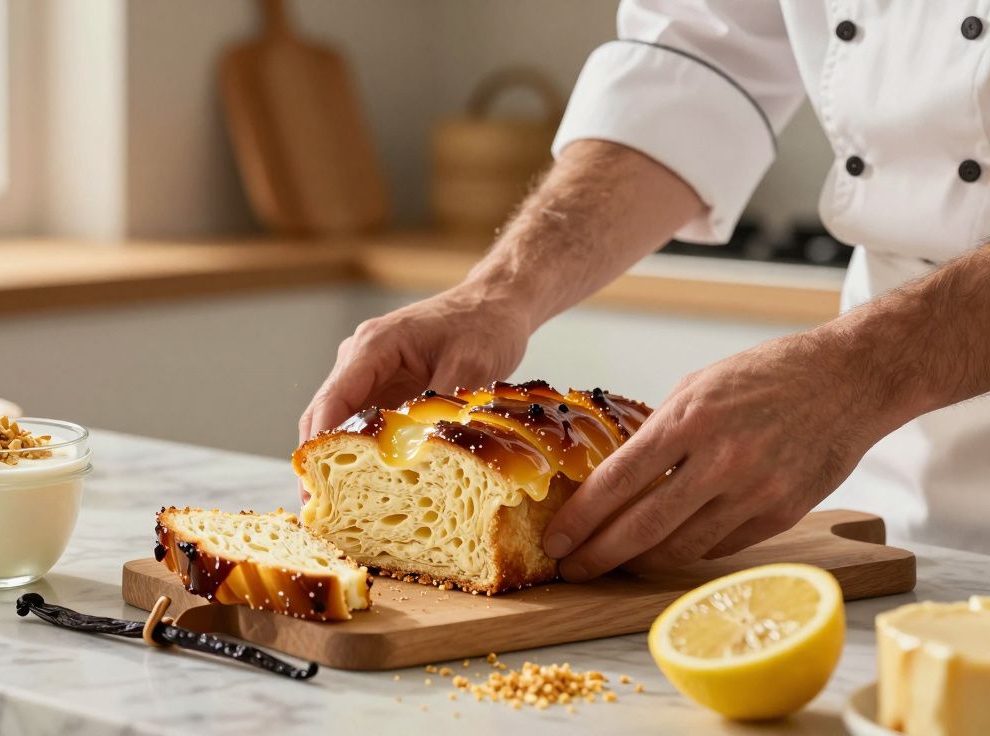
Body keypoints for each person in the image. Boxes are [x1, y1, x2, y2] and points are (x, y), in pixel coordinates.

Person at [299, 2, 990, 579]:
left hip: (882, 391)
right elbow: (694, 69)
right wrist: (496, 294)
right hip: (896, 499)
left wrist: (860, 373)